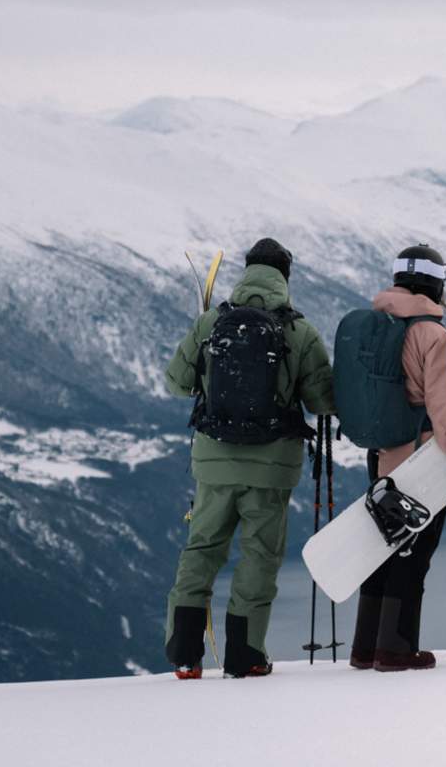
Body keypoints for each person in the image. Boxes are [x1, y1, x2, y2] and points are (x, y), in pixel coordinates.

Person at [162, 237, 334, 679]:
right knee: (258, 557)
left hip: (214, 463)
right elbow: (321, 401)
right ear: (285, 276)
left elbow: (175, 384)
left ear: (246, 271)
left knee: (201, 550)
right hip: (271, 467)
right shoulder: (300, 331)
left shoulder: (210, 324)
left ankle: (184, 653)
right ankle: (245, 653)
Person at [348, 244, 446, 672]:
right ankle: (396, 649)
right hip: (420, 457)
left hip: (379, 452)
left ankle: (365, 647)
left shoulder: (373, 324)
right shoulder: (433, 334)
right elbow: (440, 408)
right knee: (414, 550)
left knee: (382, 545)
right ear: (437, 283)